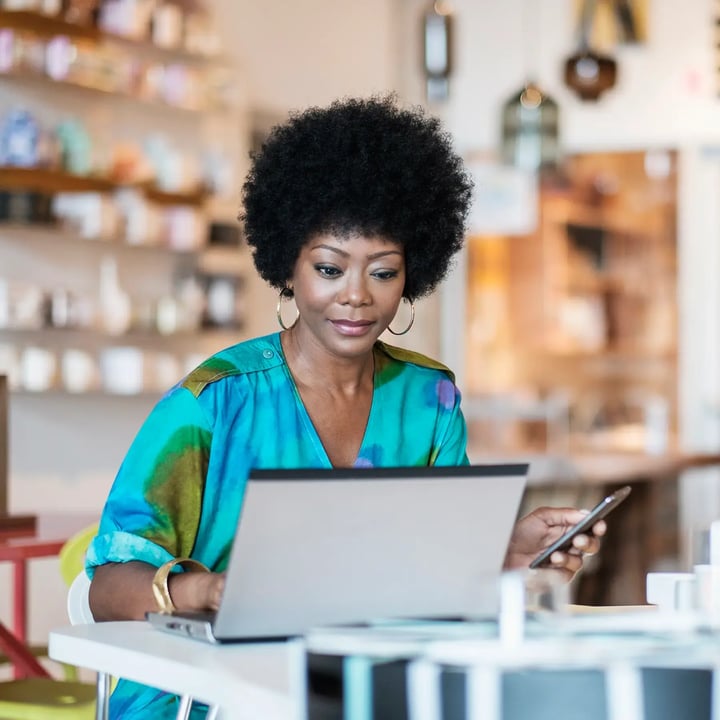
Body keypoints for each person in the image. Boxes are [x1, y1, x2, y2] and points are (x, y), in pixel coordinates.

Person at [87, 95, 605, 719]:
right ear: (289, 267)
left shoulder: (429, 398)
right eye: (330, 268)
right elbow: (107, 588)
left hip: (358, 691)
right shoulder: (214, 401)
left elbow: (423, 576)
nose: (356, 297)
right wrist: (212, 590)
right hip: (208, 697)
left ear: (412, 273)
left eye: (382, 273)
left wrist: (507, 556)